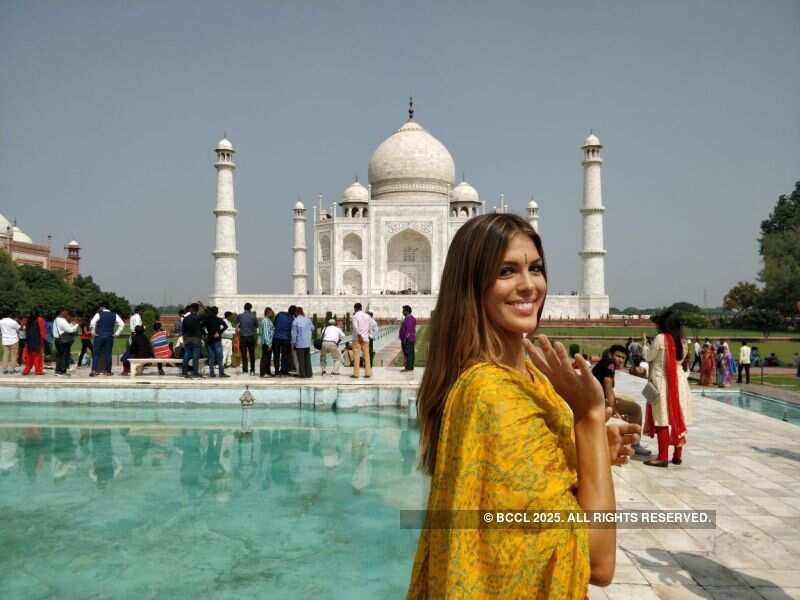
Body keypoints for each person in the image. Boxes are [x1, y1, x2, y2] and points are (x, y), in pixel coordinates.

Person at [409, 214, 636, 597]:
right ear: (472, 286)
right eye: (506, 271)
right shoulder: (492, 395)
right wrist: (589, 419)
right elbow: (597, 562)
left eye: (536, 268)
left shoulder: (523, 379)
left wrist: (585, 452)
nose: (529, 285)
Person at [642, 310, 692, 467]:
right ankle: (677, 455)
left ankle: (663, 456)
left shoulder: (660, 338)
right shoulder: (683, 340)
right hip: (679, 382)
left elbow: (649, 357)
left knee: (661, 418)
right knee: (678, 416)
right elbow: (682, 359)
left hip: (662, 381)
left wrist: (645, 345)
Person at [592, 345, 651, 457]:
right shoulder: (610, 364)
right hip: (599, 402)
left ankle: (629, 441)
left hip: (597, 399)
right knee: (635, 409)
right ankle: (634, 444)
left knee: (629, 404)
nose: (620, 359)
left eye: (623, 358)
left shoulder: (604, 363)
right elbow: (608, 387)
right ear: (611, 355)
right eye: (618, 356)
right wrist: (614, 410)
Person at [90, 305, 124, 376]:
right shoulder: (115, 315)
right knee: (108, 354)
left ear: (103, 307)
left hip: (99, 335)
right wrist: (117, 333)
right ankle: (108, 371)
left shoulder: (98, 314)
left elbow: (92, 323)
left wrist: (93, 332)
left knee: (96, 354)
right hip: (109, 336)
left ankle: (94, 370)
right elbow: (122, 324)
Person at [181, 303, 205, 378]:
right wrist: (203, 306)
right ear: (197, 309)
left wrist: (185, 339)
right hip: (196, 338)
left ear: (190, 309)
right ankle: (195, 372)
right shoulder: (197, 317)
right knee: (195, 356)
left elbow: (183, 330)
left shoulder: (186, 318)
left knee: (187, 355)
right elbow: (206, 314)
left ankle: (184, 372)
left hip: (187, 338)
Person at [204, 306, 229, 378]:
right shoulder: (218, 319)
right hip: (217, 339)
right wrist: (219, 332)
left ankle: (212, 373)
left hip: (209, 339)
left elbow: (201, 326)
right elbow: (225, 326)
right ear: (217, 312)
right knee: (219, 357)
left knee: (211, 357)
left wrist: (205, 334)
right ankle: (221, 373)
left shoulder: (207, 320)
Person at [53, 309, 79, 376]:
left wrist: (71, 324)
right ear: (61, 312)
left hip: (57, 339)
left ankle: (58, 370)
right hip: (63, 340)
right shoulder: (62, 320)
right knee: (64, 355)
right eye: (65, 311)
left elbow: (65, 327)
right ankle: (62, 371)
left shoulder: (56, 320)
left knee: (59, 355)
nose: (66, 313)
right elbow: (70, 330)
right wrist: (76, 325)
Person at [22, 311, 47, 376]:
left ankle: (26, 371)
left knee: (29, 357)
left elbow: (25, 331)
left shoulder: (28, 321)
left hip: (29, 341)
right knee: (38, 357)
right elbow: (42, 331)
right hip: (37, 341)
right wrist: (44, 341)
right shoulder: (40, 320)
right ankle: (38, 371)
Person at [290, 307, 313, 378]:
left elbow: (294, 334)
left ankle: (303, 374)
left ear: (296, 313)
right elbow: (313, 328)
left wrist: (293, 343)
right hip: (307, 342)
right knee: (307, 359)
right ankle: (309, 374)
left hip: (300, 343)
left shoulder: (295, 321)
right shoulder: (307, 320)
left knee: (301, 359)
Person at [350, 303, 372, 379]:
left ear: (355, 308)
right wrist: (368, 335)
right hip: (366, 338)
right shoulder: (368, 316)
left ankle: (356, 374)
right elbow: (369, 327)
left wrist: (359, 335)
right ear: (361, 308)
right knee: (367, 356)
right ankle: (368, 373)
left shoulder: (355, 316)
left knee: (356, 356)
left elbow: (355, 327)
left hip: (357, 338)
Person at [237, 303, 258, 376]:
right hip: (251, 336)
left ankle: (245, 369)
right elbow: (256, 326)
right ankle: (252, 370)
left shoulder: (240, 316)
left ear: (244, 308)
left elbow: (238, 324)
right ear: (250, 308)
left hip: (243, 337)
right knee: (252, 354)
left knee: (244, 354)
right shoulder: (253, 316)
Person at [272, 307, 294, 376]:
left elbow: (274, 324)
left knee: (276, 354)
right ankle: (284, 370)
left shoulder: (280, 314)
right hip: (286, 338)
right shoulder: (292, 319)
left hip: (276, 337)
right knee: (285, 355)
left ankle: (276, 370)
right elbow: (292, 330)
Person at [399, 305, 416, 372]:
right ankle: (410, 367)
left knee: (408, 353)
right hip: (409, 338)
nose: (402, 312)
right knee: (410, 353)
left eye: (403, 310)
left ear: (407, 311)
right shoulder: (409, 318)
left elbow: (408, 329)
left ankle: (408, 367)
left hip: (407, 339)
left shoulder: (409, 318)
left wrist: (405, 338)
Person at [259, 307, 275, 377]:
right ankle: (263, 373)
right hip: (267, 343)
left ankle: (268, 372)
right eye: (271, 312)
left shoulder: (269, 320)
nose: (272, 313)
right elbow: (266, 333)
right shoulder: (265, 321)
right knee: (265, 358)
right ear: (268, 312)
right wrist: (269, 344)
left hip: (269, 342)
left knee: (268, 358)